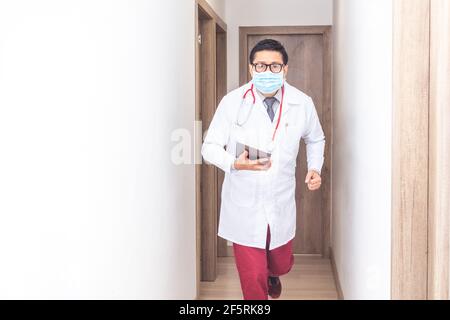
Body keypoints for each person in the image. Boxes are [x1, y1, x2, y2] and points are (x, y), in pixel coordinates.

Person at [201, 39, 325, 300]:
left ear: (286, 69)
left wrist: (314, 167)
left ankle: (274, 273)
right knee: (252, 277)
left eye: (275, 66)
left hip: (280, 199)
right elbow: (208, 147)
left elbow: (315, 138)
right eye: (261, 65)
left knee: (280, 262)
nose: (267, 72)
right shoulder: (232, 102)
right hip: (244, 203)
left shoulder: (302, 103)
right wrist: (234, 163)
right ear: (250, 68)